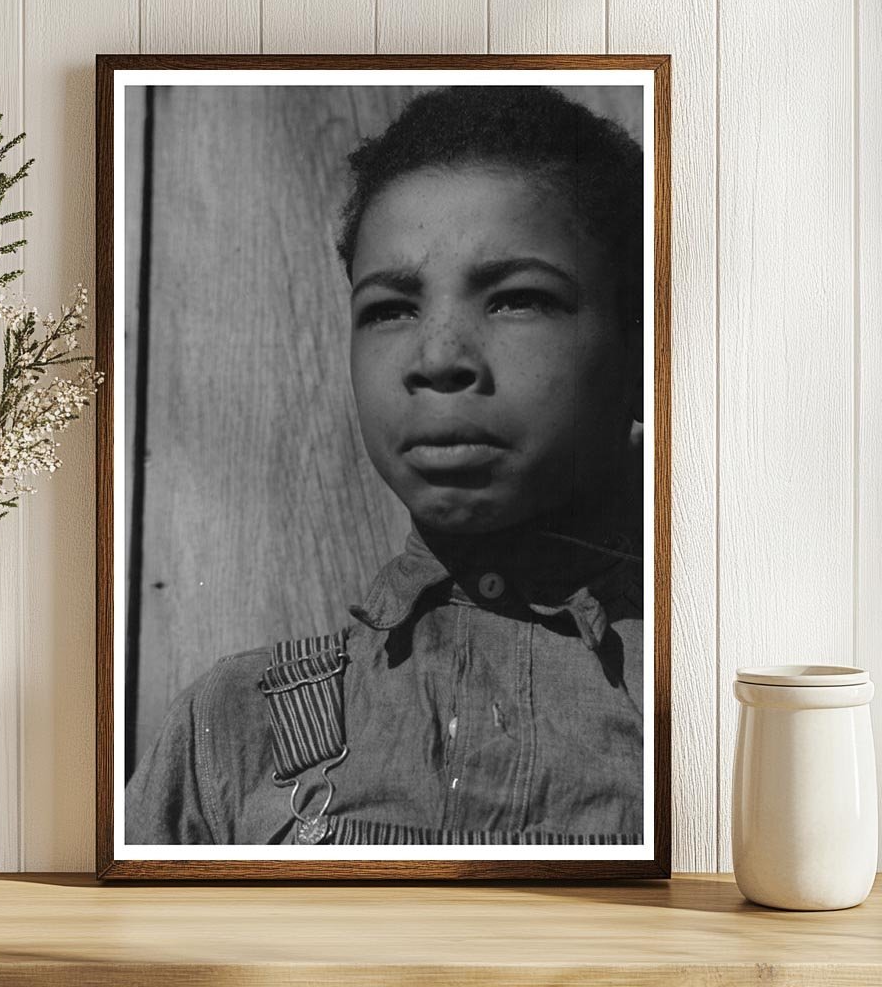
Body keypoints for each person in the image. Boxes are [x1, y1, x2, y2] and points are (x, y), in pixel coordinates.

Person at [126, 85, 645, 846]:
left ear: (642, 348)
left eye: (517, 299)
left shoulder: (718, 716)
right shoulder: (233, 729)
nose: (437, 358)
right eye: (391, 309)